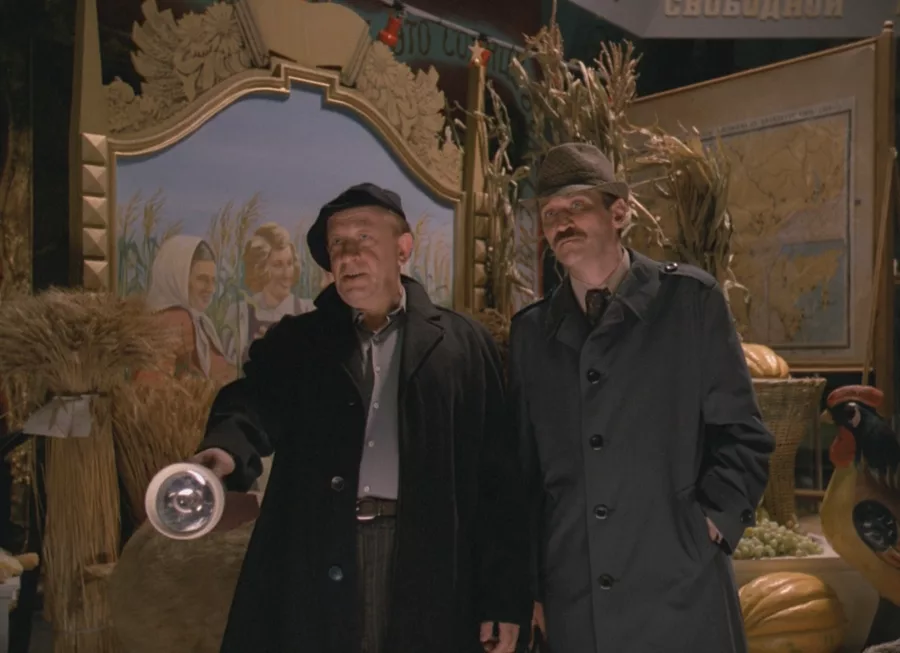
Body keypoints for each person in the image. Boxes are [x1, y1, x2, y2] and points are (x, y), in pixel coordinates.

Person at [191, 183, 530, 653]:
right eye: (337, 245)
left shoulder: (463, 345)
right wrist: (225, 451)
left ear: (403, 248)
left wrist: (503, 598)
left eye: (364, 238)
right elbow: (252, 402)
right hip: (319, 546)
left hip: (429, 558)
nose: (348, 256)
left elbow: (498, 481)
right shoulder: (299, 343)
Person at [510, 143, 775, 653]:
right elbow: (523, 473)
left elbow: (743, 435)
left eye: (576, 206)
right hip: (575, 594)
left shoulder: (691, 302)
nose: (561, 223)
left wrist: (708, 526)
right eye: (550, 213)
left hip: (679, 585)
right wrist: (531, 585)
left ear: (619, 213)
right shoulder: (530, 334)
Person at [143, 234, 234, 384]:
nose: (210, 289)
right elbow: (154, 385)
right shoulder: (176, 321)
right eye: (202, 279)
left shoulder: (199, 320)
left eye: (213, 281)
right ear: (178, 278)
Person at [222, 222, 315, 364]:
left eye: (289, 263)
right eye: (278, 265)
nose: (287, 274)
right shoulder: (239, 314)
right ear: (260, 269)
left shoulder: (308, 311)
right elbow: (228, 367)